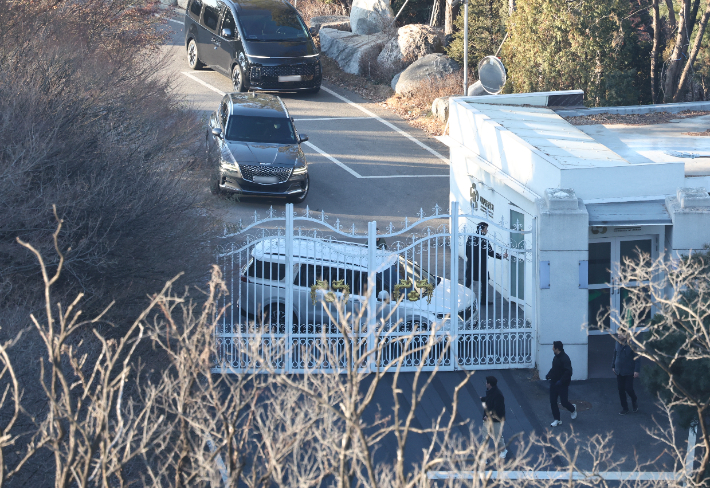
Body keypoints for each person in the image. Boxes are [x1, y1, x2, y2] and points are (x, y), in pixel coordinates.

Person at [464, 222, 507, 304]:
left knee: (468, 280)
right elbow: (491, 253)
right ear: (482, 230)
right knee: (484, 282)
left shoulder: (470, 237)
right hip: (481, 265)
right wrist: (502, 256)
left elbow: (467, 250)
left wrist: (469, 258)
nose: (487, 231)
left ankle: (461, 297)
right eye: (486, 229)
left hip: (471, 263)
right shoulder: (484, 240)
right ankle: (483, 300)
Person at [545, 341, 577, 427]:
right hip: (554, 383)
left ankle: (573, 409)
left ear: (557, 348)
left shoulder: (565, 359)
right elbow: (554, 369)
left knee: (564, 402)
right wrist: (549, 375)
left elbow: (569, 372)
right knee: (553, 402)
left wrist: (561, 381)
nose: (552, 348)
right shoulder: (556, 358)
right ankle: (557, 419)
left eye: (553, 347)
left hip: (562, 384)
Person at [612, 331, 641, 414]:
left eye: (620, 334)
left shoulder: (632, 344)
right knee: (621, 389)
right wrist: (613, 366)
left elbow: (637, 358)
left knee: (628, 388)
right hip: (619, 370)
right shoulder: (617, 342)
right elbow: (615, 354)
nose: (618, 335)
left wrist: (636, 370)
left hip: (629, 371)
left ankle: (634, 399)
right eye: (618, 333)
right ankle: (625, 408)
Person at [480, 375, 507, 459]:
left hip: (496, 420)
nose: (485, 384)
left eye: (486, 382)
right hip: (487, 418)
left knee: (497, 437)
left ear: (489, 384)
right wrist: (483, 399)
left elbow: (497, 409)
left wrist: (488, 417)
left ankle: (503, 450)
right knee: (484, 437)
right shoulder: (490, 391)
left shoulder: (498, 395)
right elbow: (489, 399)